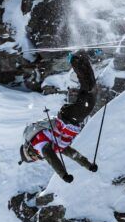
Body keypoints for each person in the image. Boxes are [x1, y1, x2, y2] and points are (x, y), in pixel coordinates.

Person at [19, 50, 99, 182]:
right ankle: (82, 59)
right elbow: (73, 154)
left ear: (29, 151)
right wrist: (88, 165)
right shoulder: (55, 146)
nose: (37, 158)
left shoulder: (40, 145)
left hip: (68, 119)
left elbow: (52, 159)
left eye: (33, 158)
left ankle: (75, 59)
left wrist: (63, 175)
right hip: (69, 118)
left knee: (89, 94)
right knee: (90, 92)